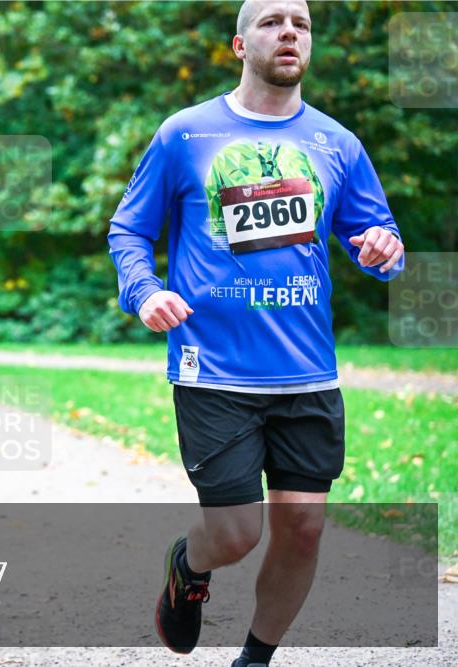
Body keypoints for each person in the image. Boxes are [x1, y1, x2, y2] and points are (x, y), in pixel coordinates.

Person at [107, 2, 405, 665]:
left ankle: (255, 657)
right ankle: (188, 564)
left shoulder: (337, 143)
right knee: (237, 533)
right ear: (240, 44)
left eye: (299, 22)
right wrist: (146, 288)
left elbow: (374, 236)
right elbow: (129, 228)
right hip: (213, 368)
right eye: (272, 21)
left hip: (308, 371)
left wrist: (384, 248)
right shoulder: (184, 135)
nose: (290, 31)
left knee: (302, 528)